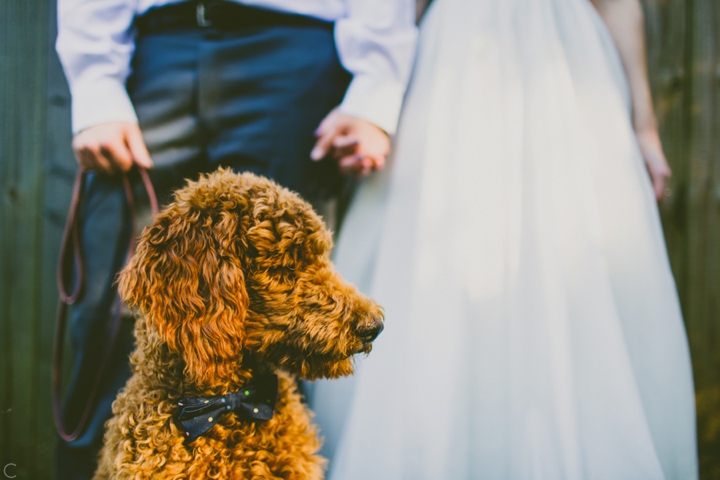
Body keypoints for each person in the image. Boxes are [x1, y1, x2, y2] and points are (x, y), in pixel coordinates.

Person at [308, 0, 699, 478]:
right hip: (448, 72)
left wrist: (644, 125)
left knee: (580, 263)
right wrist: (374, 103)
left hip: (568, 72)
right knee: (436, 270)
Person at [54, 1, 417, 478]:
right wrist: (95, 86)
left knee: (289, 320)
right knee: (107, 312)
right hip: (152, 50)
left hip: (296, 52)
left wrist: (374, 91)